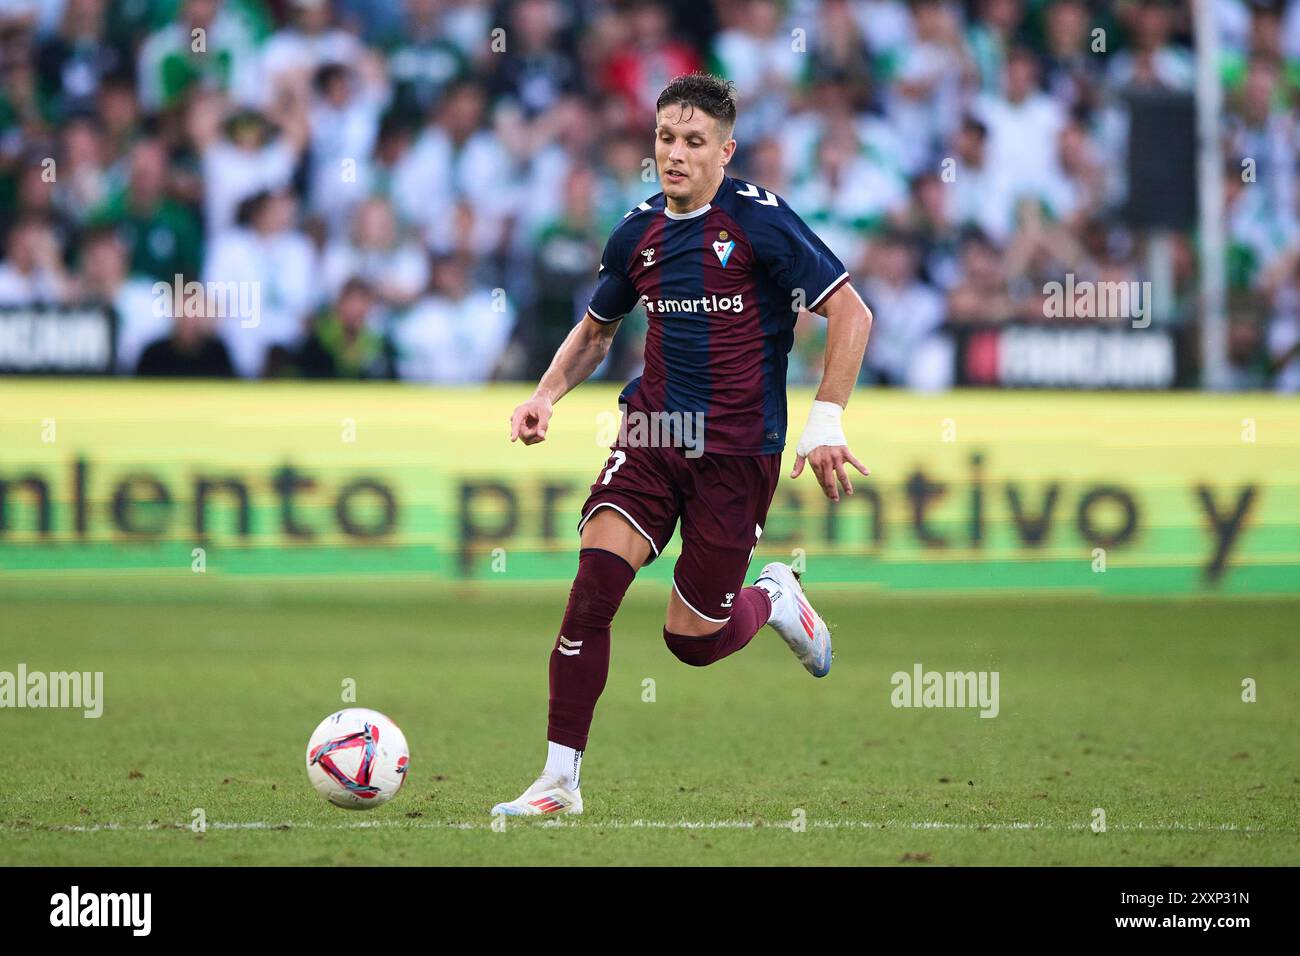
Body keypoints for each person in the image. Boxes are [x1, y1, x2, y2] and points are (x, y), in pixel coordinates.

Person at [493, 73, 873, 816]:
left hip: (738, 453)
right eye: (666, 138)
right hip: (653, 433)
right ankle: (558, 781)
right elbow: (598, 330)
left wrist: (825, 420)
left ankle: (774, 598)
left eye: (694, 141)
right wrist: (544, 394)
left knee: (692, 642)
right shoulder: (636, 232)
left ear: (725, 150)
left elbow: (852, 314)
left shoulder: (762, 222)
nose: (675, 154)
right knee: (593, 588)